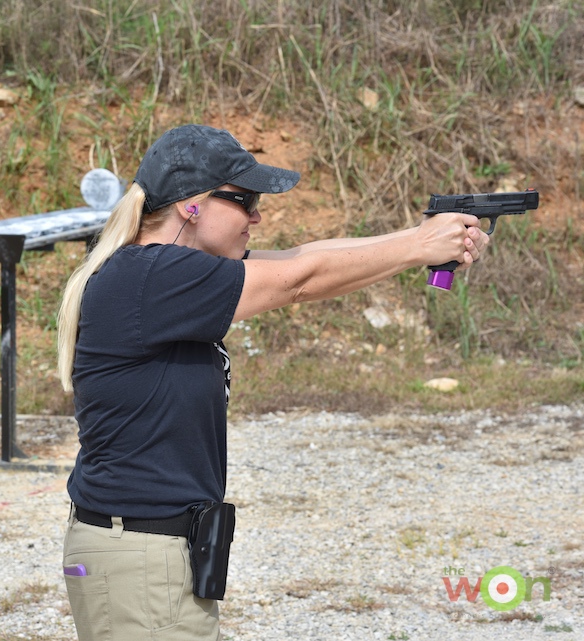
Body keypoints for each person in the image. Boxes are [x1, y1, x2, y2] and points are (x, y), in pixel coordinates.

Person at [56, 124, 489, 640]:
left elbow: (301, 259)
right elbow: (299, 281)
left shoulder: (154, 271)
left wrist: (419, 240)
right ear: (190, 205)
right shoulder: (155, 275)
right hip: (141, 558)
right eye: (244, 200)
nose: (257, 215)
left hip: (148, 551)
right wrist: (419, 245)